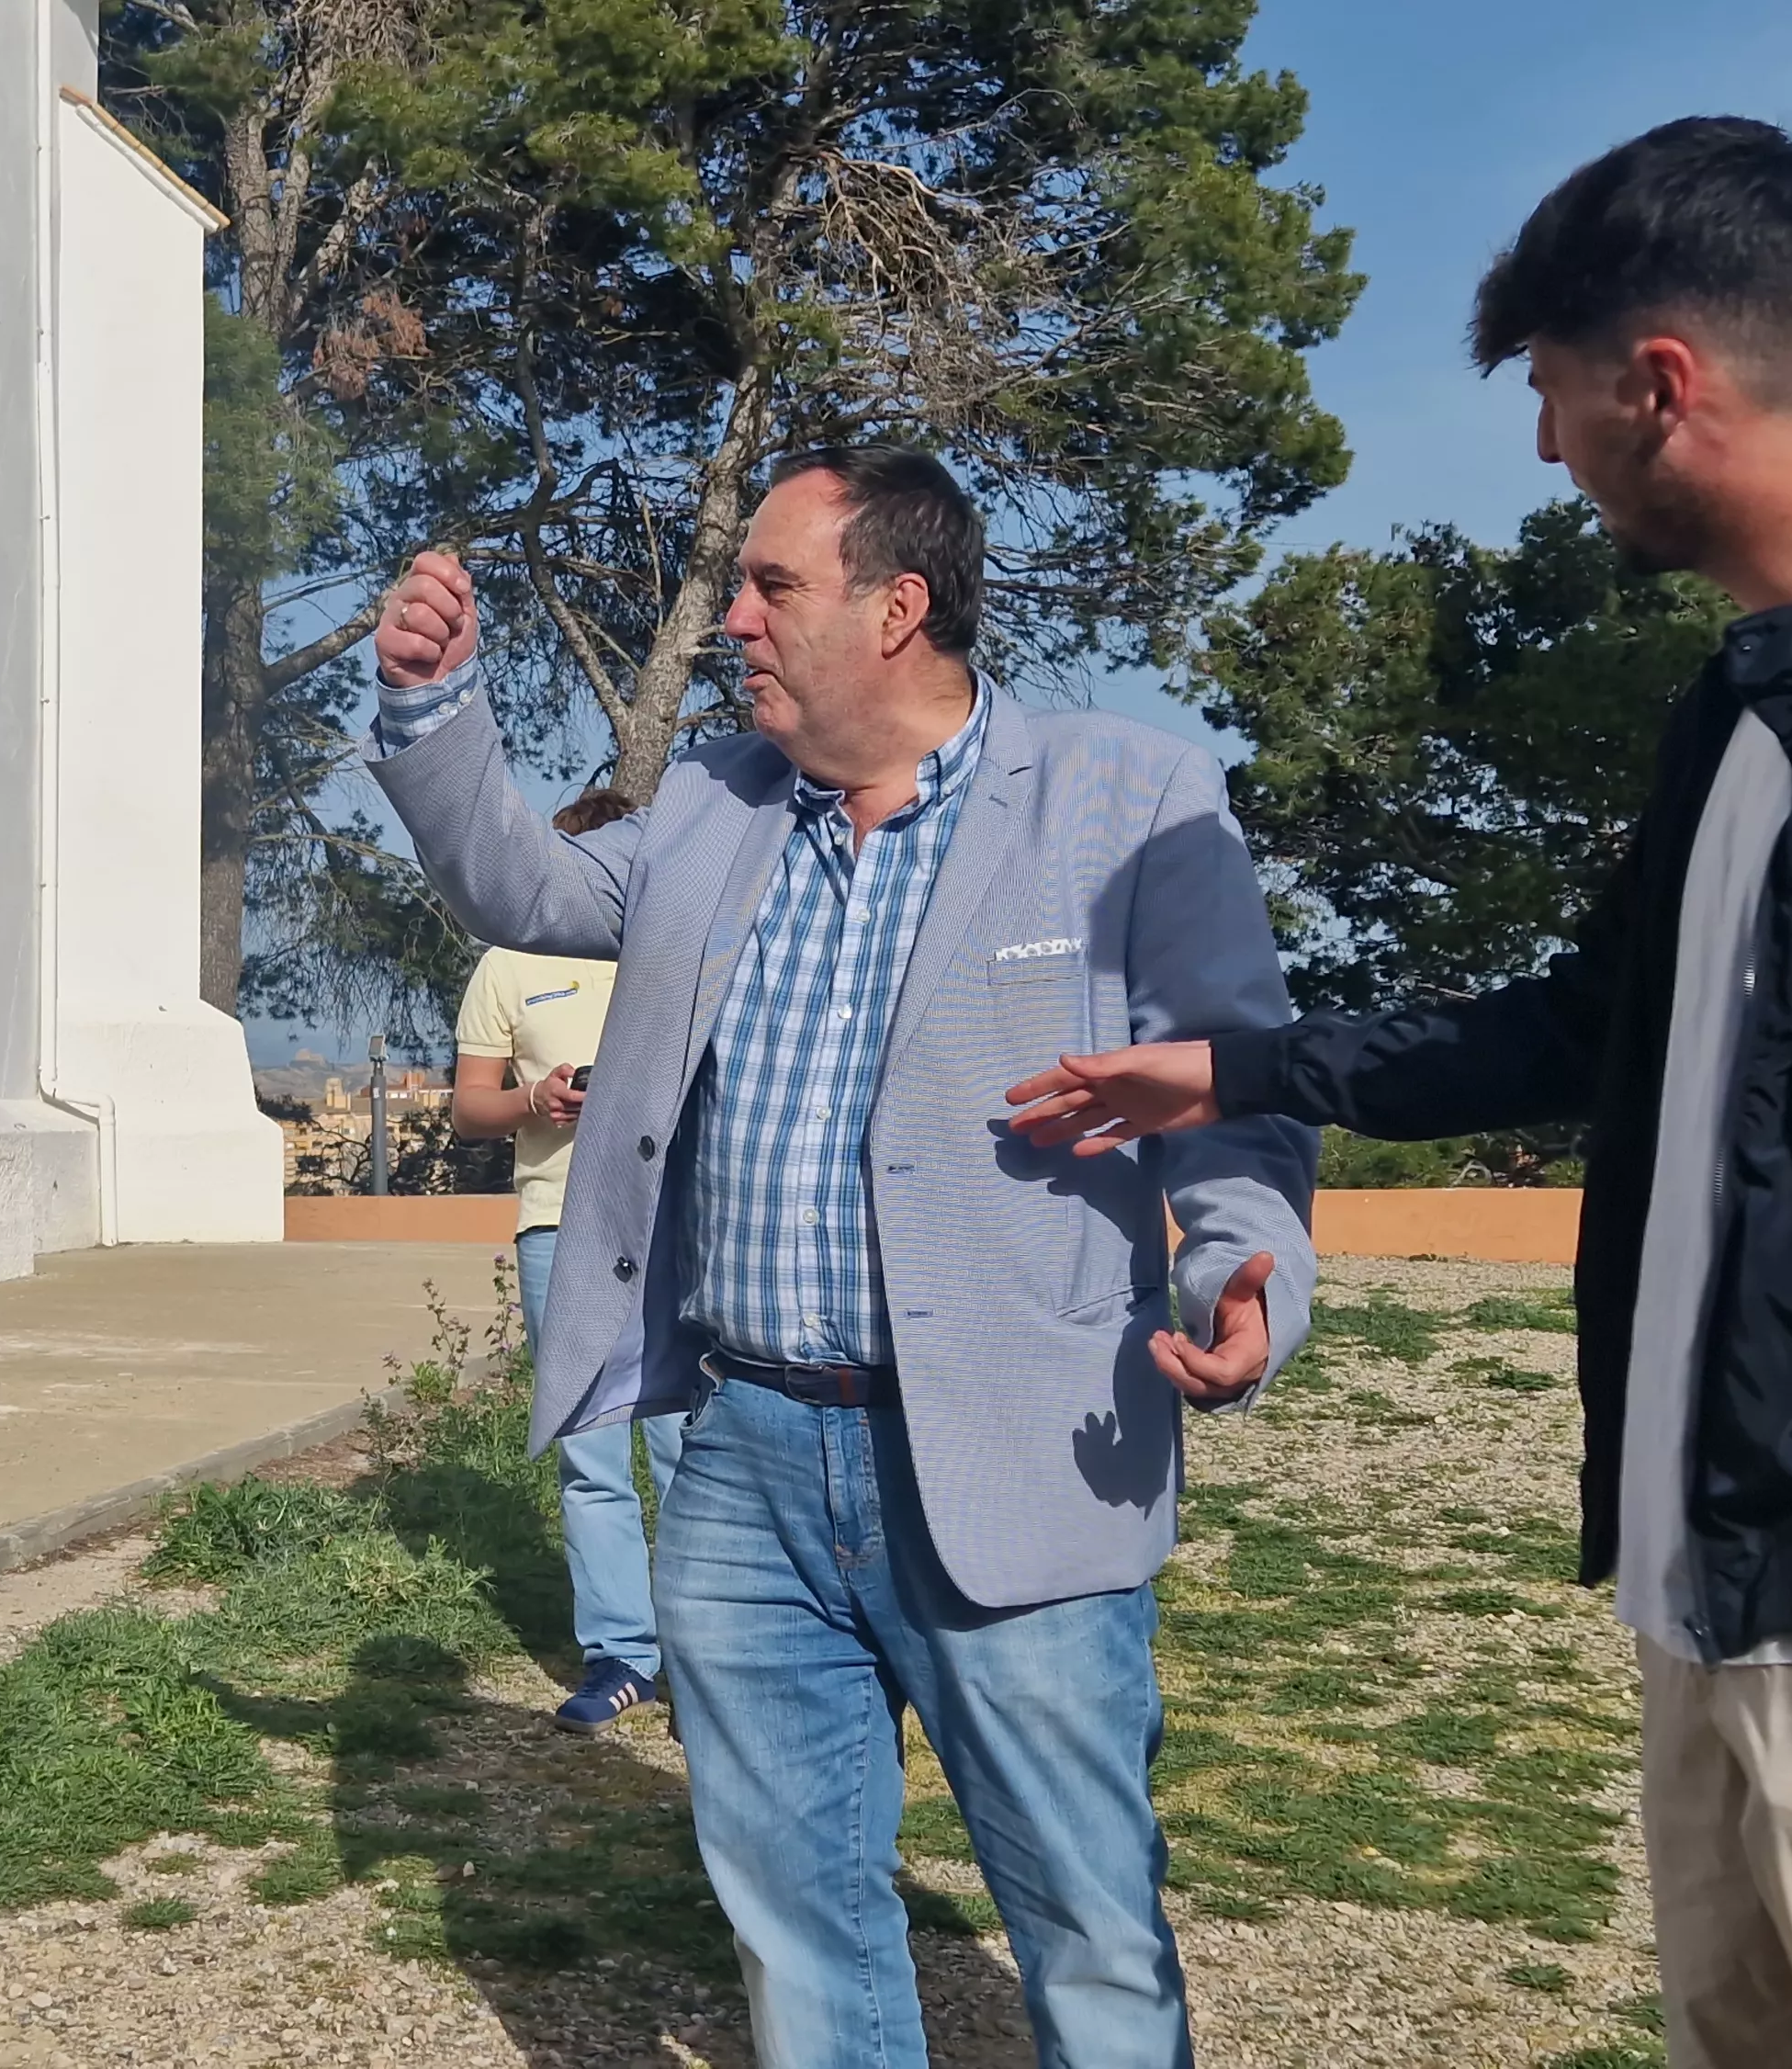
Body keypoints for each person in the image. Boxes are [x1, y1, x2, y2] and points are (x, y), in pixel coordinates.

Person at [1009, 119, 1792, 2069]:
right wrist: (1235, 1067)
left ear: (1657, 383)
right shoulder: (1744, 701)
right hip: (1718, 1603)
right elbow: (1586, 1024)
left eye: (1550, 395)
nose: (1541, 449)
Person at [366, 448, 1317, 2068]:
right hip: (745, 1454)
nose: (734, 616)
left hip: (1016, 1446)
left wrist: (1246, 1264)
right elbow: (518, 882)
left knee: (1084, 1919)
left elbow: (1234, 1083)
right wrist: (434, 706)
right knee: (798, 1915)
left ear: (898, 606)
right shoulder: (712, 805)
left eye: (770, 585)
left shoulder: (1128, 796)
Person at [446, 788, 687, 1735]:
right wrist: (537, 1100)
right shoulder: (508, 963)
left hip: (678, 1223)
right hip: (558, 1223)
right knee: (590, 1451)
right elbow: (470, 1109)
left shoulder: (675, 949)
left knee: (686, 1447)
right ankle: (621, 1653)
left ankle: (700, 1652)